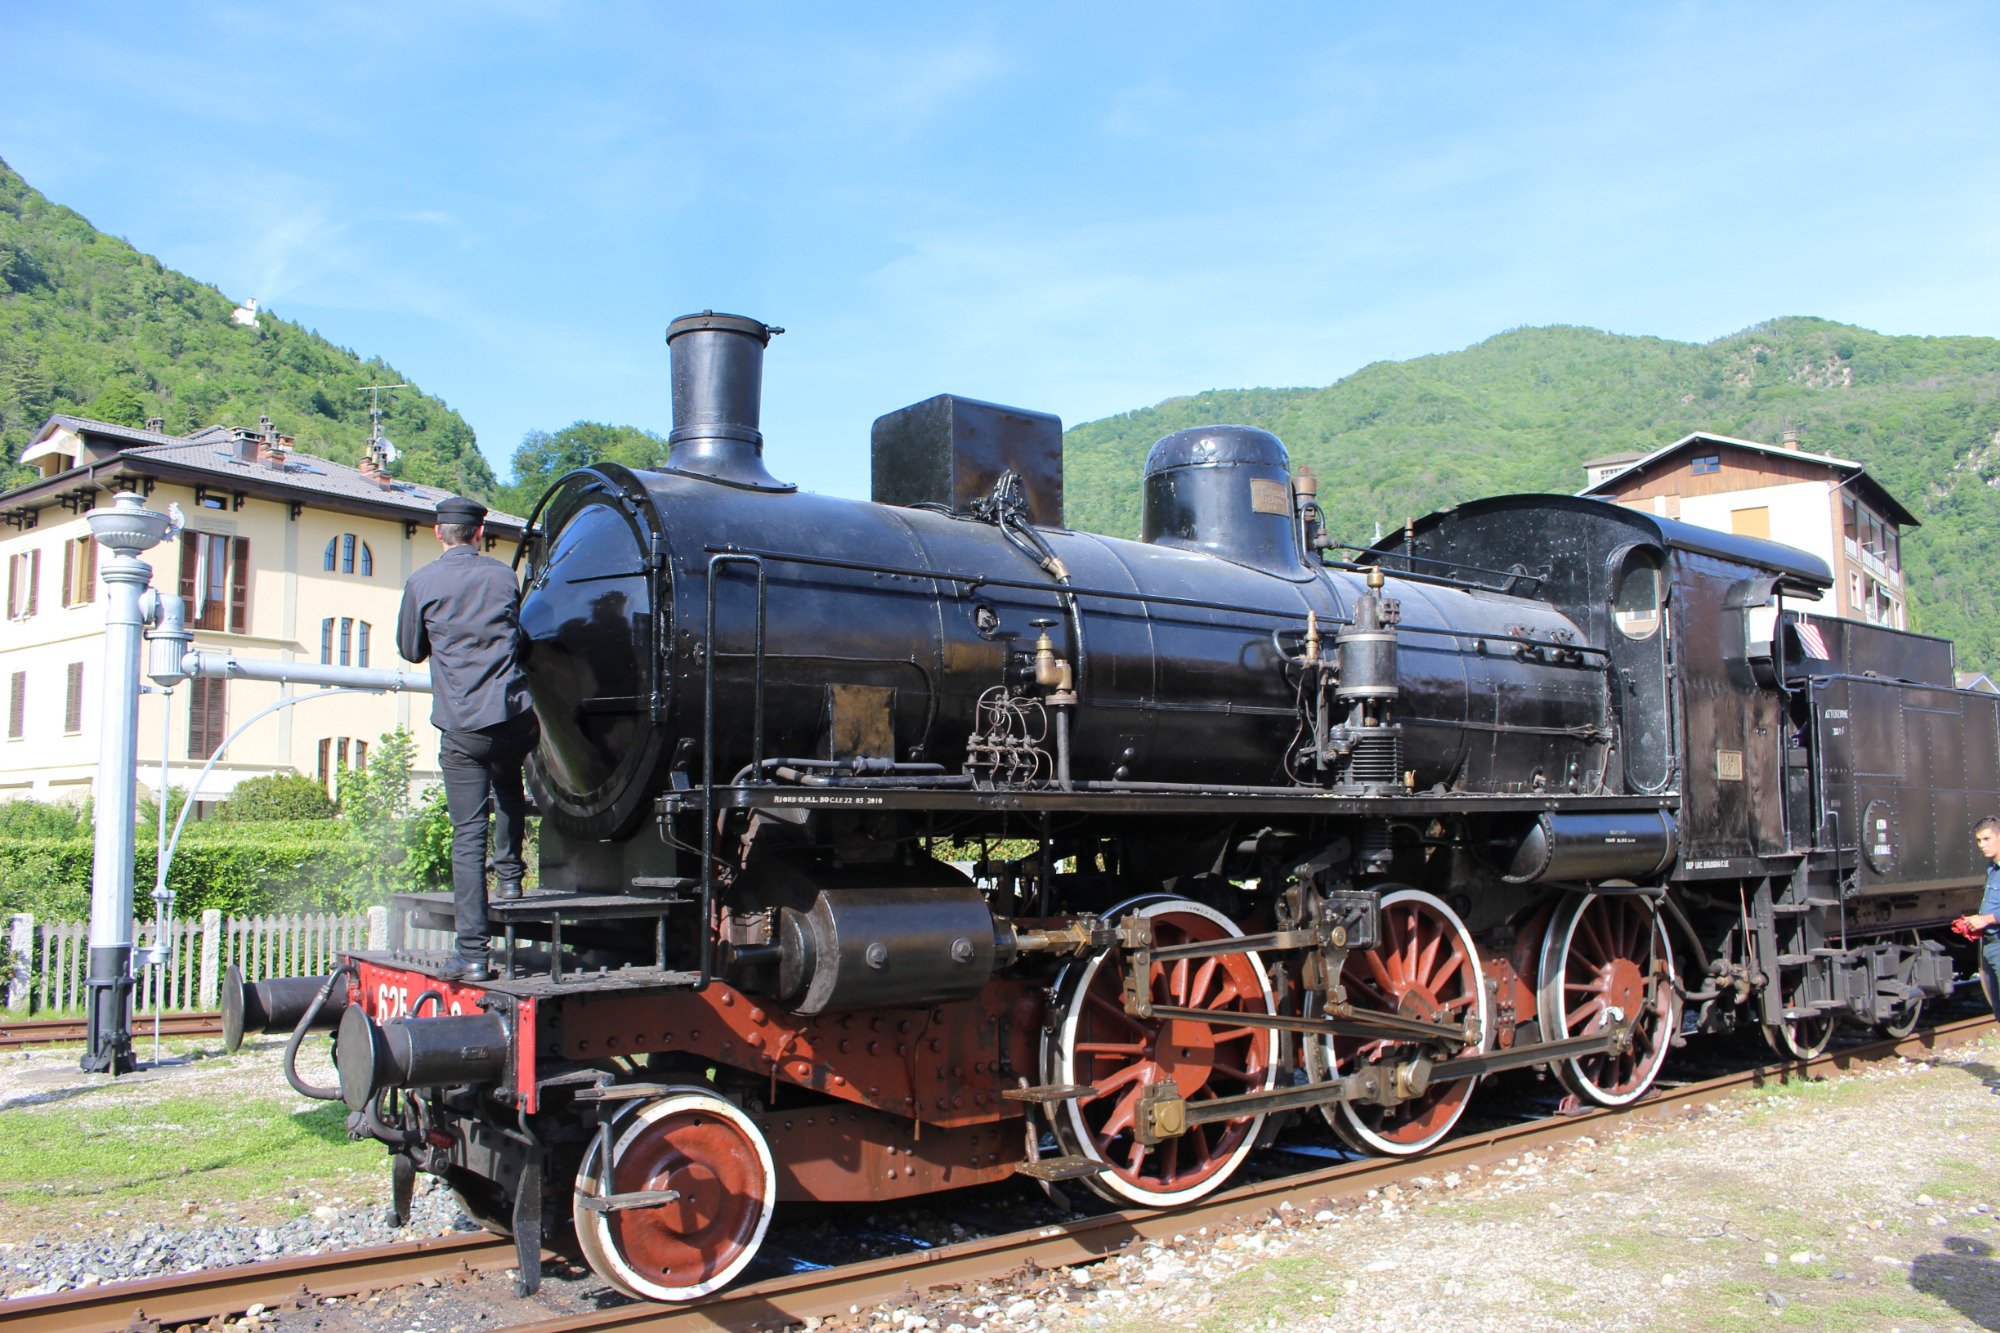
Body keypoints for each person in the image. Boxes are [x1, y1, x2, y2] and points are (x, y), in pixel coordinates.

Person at [397, 495, 538, 982]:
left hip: (462, 723)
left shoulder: (422, 582)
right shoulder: (502, 576)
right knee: (509, 783)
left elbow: (410, 649)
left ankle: (474, 954)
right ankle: (513, 879)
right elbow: (519, 636)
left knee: (466, 834)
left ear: (439, 533)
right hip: (513, 715)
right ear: (480, 533)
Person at [1953, 816, 2000, 1017]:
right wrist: (1975, 921)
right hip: (1990, 945)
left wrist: (1987, 919)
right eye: (1979, 841)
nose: (1982, 845)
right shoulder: (1991, 868)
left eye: (1987, 839)